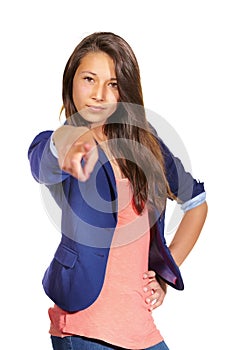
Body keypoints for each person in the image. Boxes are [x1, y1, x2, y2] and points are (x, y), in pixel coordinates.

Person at [28, 32, 208, 350]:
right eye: (89, 79)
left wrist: (166, 271)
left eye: (112, 84)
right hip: (86, 327)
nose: (99, 94)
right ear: (71, 82)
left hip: (141, 327)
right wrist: (67, 141)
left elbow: (195, 202)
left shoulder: (145, 144)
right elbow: (42, 162)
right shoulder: (61, 142)